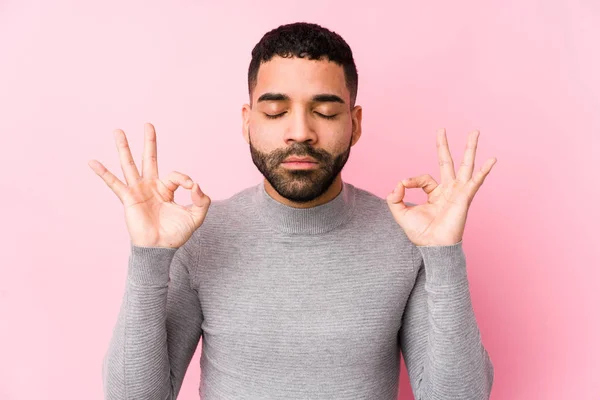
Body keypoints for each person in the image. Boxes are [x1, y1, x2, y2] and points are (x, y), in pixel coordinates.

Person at [89, 22, 495, 400]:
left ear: (354, 124)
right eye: (275, 111)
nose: (300, 131)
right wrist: (149, 256)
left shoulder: (407, 235)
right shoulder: (200, 235)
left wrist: (443, 254)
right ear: (247, 122)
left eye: (325, 111)